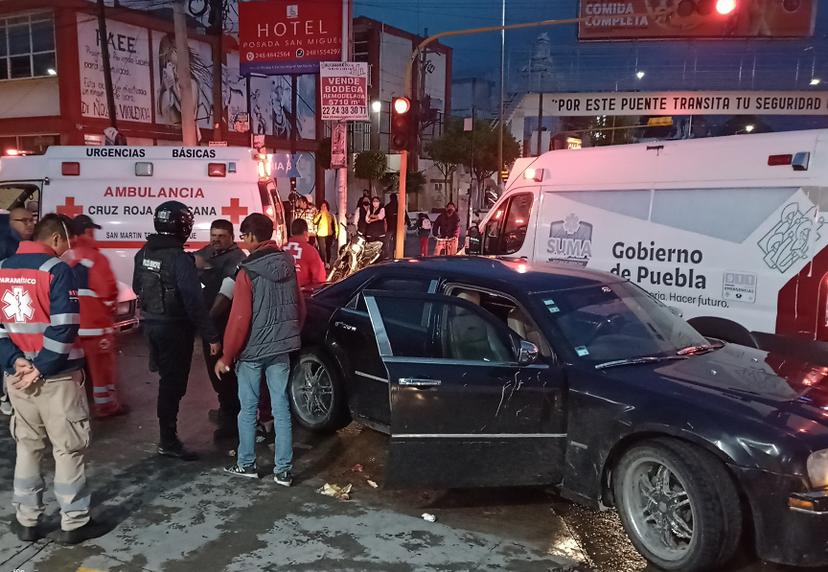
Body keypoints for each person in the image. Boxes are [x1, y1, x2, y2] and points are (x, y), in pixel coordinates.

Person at [0, 214, 103, 544]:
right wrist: (41, 367)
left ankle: (27, 520)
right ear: (57, 240)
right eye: (66, 242)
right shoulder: (58, 270)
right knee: (68, 449)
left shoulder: (3, 268)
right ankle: (73, 522)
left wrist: (16, 362)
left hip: (17, 380)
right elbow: (64, 327)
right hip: (56, 379)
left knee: (27, 448)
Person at [216, 213, 303, 486]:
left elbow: (239, 319)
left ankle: (247, 463)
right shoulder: (288, 264)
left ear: (253, 237)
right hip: (282, 348)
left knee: (248, 408)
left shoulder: (248, 272)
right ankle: (283, 471)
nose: (243, 241)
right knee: (281, 407)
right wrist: (291, 335)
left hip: (253, 352)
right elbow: (299, 307)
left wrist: (227, 356)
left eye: (244, 236)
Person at [133, 201, 220, 461]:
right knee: (173, 386)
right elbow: (193, 301)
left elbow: (138, 286)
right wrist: (211, 335)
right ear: (184, 226)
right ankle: (168, 441)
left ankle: (167, 437)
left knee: (166, 382)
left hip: (152, 327)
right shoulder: (179, 260)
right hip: (174, 330)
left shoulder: (144, 252)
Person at [63, 214, 124, 419]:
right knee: (101, 368)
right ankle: (106, 406)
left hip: (70, 325)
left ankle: (69, 409)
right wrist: (109, 311)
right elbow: (108, 290)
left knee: (70, 370)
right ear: (89, 231)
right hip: (95, 325)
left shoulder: (66, 255)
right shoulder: (96, 257)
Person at [194, 219, 245, 440]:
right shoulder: (207, 251)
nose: (216, 240)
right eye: (213, 235)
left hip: (224, 323)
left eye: (221, 236)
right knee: (214, 372)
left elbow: (226, 296)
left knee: (224, 371)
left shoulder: (237, 259)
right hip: (209, 324)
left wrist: (206, 320)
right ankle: (226, 408)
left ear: (232, 237)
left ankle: (231, 420)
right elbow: (192, 260)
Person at [0, 207, 35, 416]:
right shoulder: (7, 244)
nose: (30, 224)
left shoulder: (21, 244)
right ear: (11, 222)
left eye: (32, 220)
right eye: (25, 220)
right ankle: (6, 397)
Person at [286, 219, 327, 291]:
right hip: (303, 295)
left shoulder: (281, 249)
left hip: (281, 294)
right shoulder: (310, 251)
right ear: (305, 233)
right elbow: (319, 279)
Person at [383, 193, 410, 259]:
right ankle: (396, 254)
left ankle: (388, 255)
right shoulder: (400, 206)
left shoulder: (387, 206)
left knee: (387, 241)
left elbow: (384, 217)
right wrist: (409, 223)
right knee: (396, 242)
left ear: (390, 198)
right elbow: (405, 215)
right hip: (398, 227)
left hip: (389, 227)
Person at [312, 200, 338, 267]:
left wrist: (336, 233)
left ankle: (328, 262)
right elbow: (314, 222)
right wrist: (319, 214)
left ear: (327, 207)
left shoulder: (331, 215)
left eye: (324, 206)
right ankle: (323, 262)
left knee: (328, 249)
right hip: (320, 234)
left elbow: (335, 225)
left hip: (329, 234)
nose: (323, 207)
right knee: (322, 250)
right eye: (322, 206)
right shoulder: (319, 215)